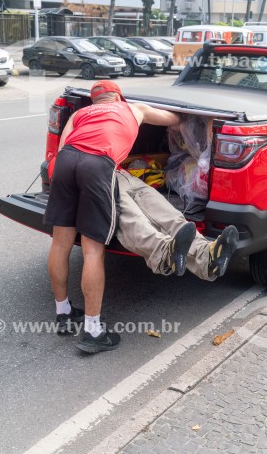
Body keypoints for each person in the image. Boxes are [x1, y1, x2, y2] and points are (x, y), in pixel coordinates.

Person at [44, 80, 183, 354]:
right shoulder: (134, 108)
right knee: (93, 249)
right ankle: (93, 330)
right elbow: (174, 119)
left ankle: (63, 313)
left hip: (65, 162)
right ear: (118, 96)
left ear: (94, 101)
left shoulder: (78, 114)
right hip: (97, 165)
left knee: (60, 243)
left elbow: (61, 149)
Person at [116, 169, 239, 281]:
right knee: (134, 219)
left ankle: (208, 255)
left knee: (170, 215)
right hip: (101, 178)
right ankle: (166, 252)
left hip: (124, 174)